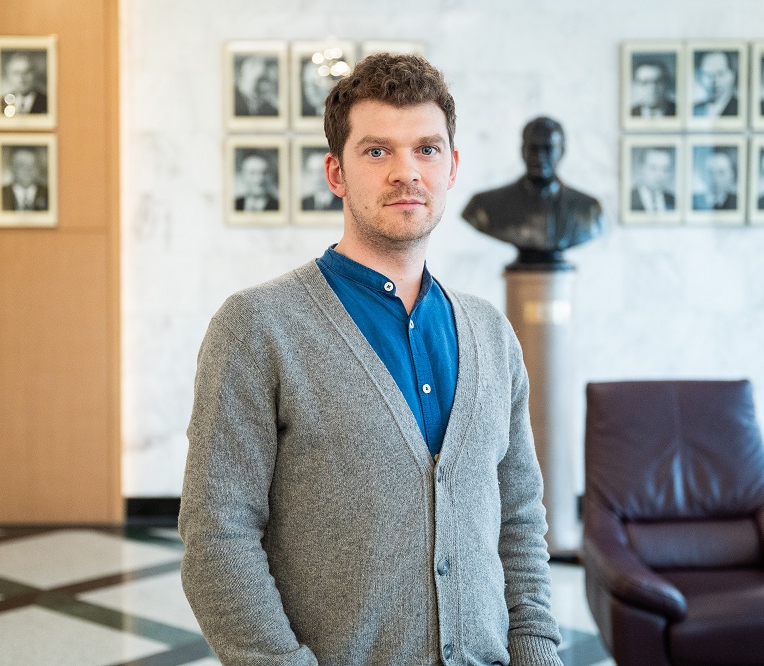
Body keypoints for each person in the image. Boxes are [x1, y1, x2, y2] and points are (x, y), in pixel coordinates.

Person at [180, 52, 564, 666]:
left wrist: (538, 655)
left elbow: (518, 523)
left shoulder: (491, 333)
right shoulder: (257, 326)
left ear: (452, 167)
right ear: (336, 172)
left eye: (427, 149)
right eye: (378, 151)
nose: (406, 172)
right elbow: (217, 539)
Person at [461, 116, 603, 265]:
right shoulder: (485, 205)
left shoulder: (590, 210)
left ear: (561, 151)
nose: (540, 158)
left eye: (547, 149)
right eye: (533, 149)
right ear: (523, 151)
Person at [692, 51, 738, 117]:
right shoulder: (694, 111)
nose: (715, 81)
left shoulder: (740, 109)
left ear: (732, 75)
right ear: (700, 77)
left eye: (720, 74)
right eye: (709, 75)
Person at [630, 147, 676, 212]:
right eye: (653, 168)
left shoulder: (673, 201)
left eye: (665, 169)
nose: (660, 175)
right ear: (641, 169)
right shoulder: (628, 198)